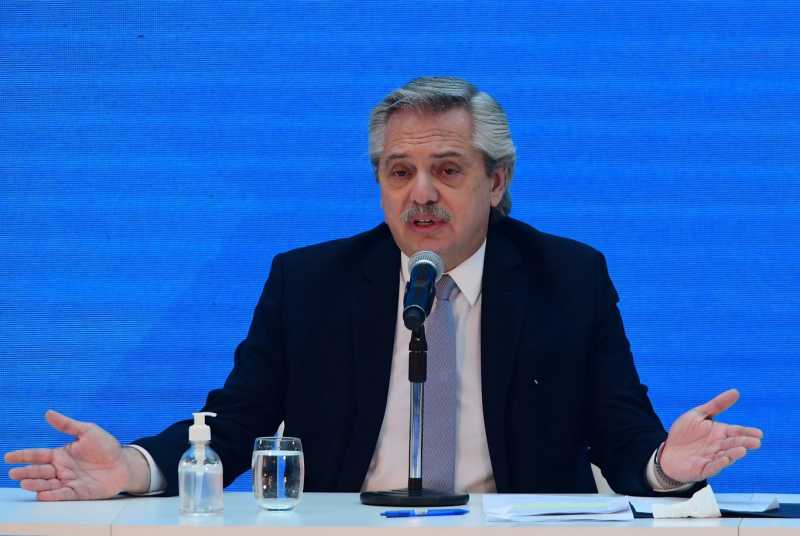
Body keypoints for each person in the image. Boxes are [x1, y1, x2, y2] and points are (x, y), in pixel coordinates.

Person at [5, 77, 762, 501]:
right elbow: (235, 426)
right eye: (400, 172)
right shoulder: (310, 282)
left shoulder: (568, 277)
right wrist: (133, 467)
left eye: (448, 170)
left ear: (497, 182)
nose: (421, 193)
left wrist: (669, 466)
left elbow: (624, 437)